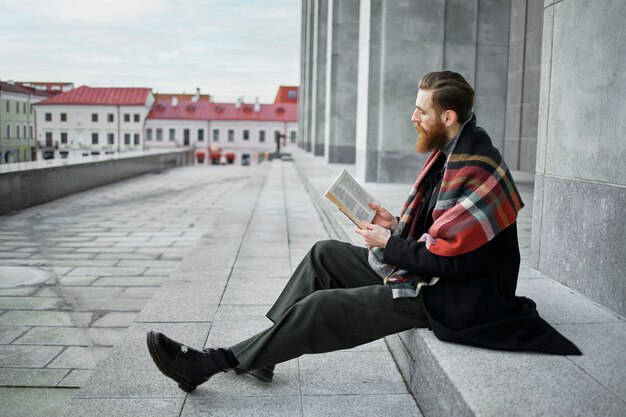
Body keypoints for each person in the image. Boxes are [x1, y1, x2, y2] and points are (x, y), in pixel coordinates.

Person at [146, 71, 581, 393]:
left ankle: (207, 364)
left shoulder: (477, 166)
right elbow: (442, 230)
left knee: (321, 308)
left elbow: (456, 260)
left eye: (421, 110)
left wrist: (389, 244)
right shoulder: (454, 150)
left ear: (447, 116)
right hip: (433, 275)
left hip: (455, 297)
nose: (413, 116)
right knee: (324, 254)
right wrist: (395, 225)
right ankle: (265, 356)